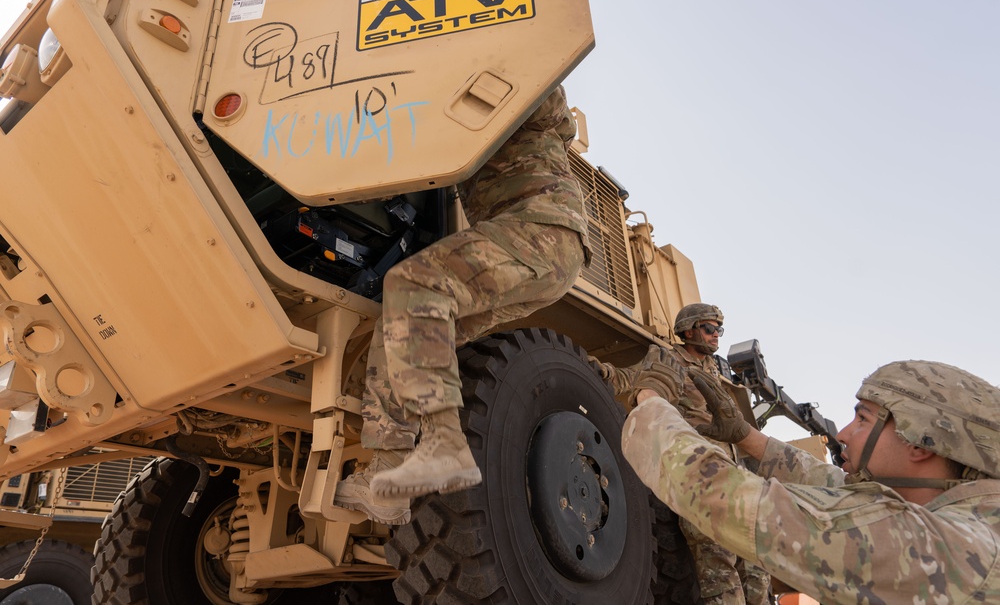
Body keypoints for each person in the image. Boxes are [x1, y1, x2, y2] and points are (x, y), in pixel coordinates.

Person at [334, 85, 591, 524]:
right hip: (549, 249)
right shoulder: (466, 122)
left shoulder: (521, 89)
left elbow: (537, 79)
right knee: (415, 332)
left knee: (414, 288)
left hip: (542, 228)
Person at [623, 360, 1000, 604]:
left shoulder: (948, 548)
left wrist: (650, 399)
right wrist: (745, 435)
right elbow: (837, 486)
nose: (845, 434)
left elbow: (723, 498)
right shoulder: (974, 521)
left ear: (920, 441)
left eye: (864, 419)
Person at [594, 303, 771, 605]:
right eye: (710, 328)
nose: (717, 336)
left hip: (732, 478)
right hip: (700, 476)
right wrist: (606, 372)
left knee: (757, 571)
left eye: (719, 330)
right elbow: (635, 378)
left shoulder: (713, 370)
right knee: (720, 570)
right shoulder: (669, 358)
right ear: (689, 331)